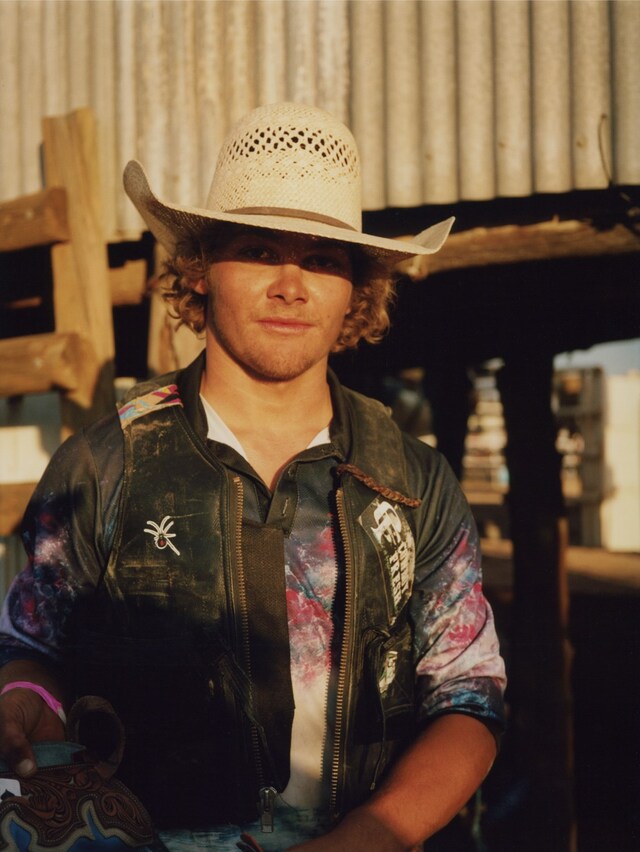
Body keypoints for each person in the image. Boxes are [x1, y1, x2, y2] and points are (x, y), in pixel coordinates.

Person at [0, 102, 505, 851]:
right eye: (260, 250)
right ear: (200, 271)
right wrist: (22, 697)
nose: (291, 285)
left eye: (324, 260)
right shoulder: (105, 466)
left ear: (357, 290)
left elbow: (470, 697)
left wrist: (365, 840)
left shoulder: (411, 480)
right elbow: (28, 646)